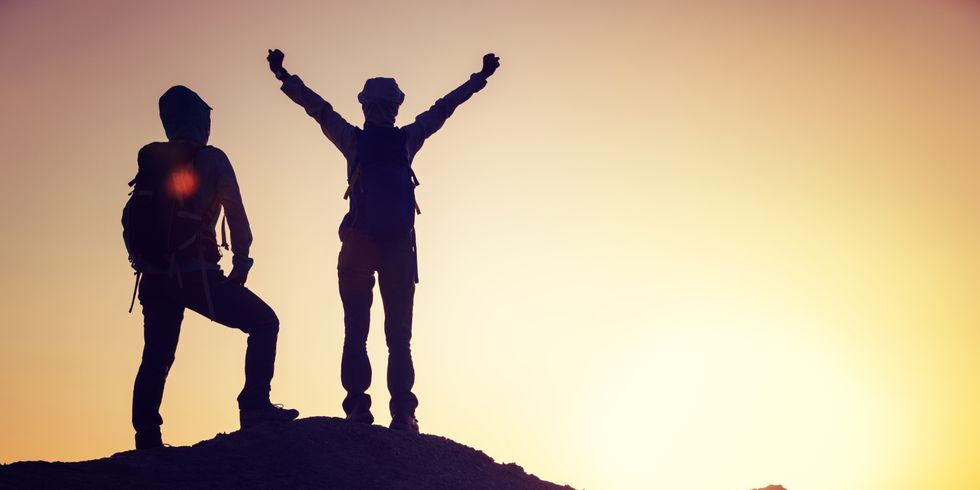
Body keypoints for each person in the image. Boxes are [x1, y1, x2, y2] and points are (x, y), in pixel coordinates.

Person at [266, 49, 500, 433]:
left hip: (358, 244)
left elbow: (318, 109)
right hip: (398, 248)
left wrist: (284, 76)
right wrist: (479, 78)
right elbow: (444, 109)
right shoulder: (407, 140)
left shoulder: (353, 141)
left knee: (355, 332)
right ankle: (403, 414)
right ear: (395, 108)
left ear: (364, 106)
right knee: (399, 339)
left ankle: (357, 408)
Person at [122, 85, 298, 450]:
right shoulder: (213, 159)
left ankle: (147, 436)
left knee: (156, 354)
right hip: (198, 277)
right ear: (200, 121)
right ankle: (254, 407)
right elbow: (238, 219)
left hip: (154, 279)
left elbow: (127, 218)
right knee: (265, 323)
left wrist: (145, 261)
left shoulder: (153, 162)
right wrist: (242, 261)